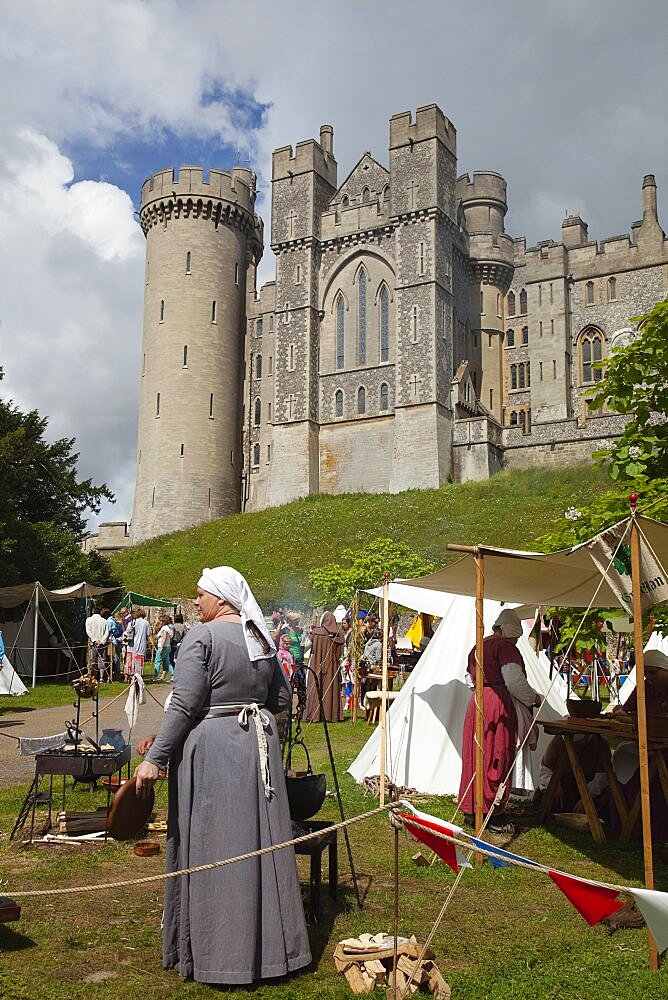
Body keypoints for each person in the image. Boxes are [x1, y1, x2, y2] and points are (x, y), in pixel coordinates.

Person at [134, 567, 310, 986]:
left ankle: (220, 956)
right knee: (258, 844)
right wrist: (254, 720)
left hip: (215, 753)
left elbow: (184, 704)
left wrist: (155, 757)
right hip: (257, 749)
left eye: (201, 595)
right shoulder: (261, 637)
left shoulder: (204, 637)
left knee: (215, 843)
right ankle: (271, 952)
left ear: (223, 599)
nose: (196, 603)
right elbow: (282, 698)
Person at [458, 608, 540, 832]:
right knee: (497, 754)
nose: (515, 641)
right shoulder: (504, 647)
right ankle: (491, 812)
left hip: (477, 703)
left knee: (476, 755)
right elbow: (514, 681)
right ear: (509, 632)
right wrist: (533, 698)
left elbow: (468, 678)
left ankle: (472, 809)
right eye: (515, 637)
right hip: (497, 705)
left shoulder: (478, 646)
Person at [304, 612, 345, 722]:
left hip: (317, 663)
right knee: (330, 687)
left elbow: (306, 645)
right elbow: (341, 653)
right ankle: (330, 715)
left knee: (316, 686)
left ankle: (315, 714)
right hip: (332, 666)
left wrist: (310, 632)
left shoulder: (317, 633)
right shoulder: (339, 634)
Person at [85, 605, 110, 681]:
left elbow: (88, 631)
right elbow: (107, 633)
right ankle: (101, 678)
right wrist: (102, 641)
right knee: (102, 659)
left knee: (91, 660)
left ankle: (90, 677)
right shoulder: (104, 621)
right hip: (102, 643)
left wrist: (94, 640)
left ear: (92, 612)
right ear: (100, 613)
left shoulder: (88, 620)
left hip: (93, 643)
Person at [130, 609, 150, 681]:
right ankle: (139, 676)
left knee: (134, 660)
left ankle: (133, 675)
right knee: (140, 660)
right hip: (142, 643)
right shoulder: (146, 623)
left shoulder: (134, 622)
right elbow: (148, 635)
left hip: (134, 644)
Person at [154, 615, 174, 681]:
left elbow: (164, 637)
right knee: (167, 662)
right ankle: (173, 674)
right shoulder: (168, 628)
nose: (159, 622)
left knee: (157, 661)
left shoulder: (164, 628)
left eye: (160, 620)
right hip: (168, 646)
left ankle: (155, 676)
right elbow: (170, 637)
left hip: (163, 647)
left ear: (163, 621)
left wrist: (161, 647)